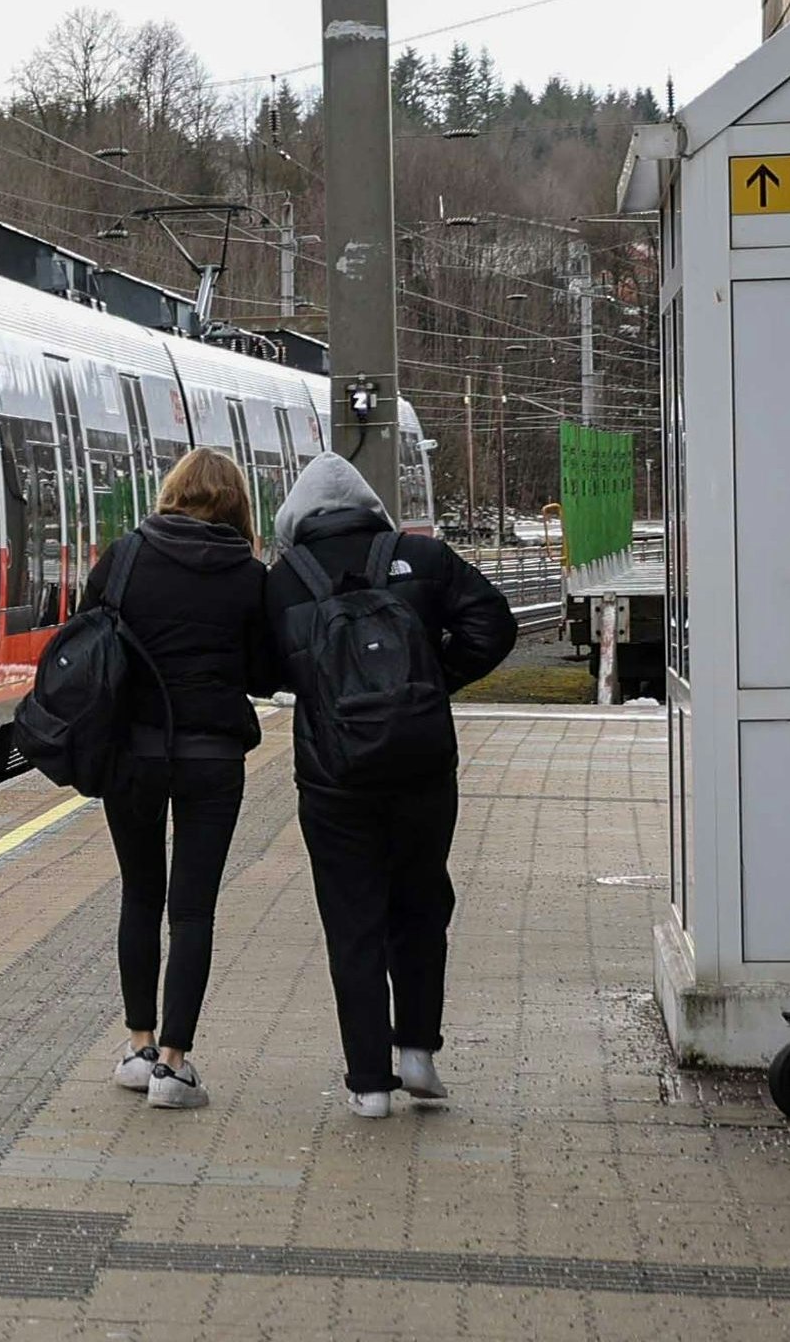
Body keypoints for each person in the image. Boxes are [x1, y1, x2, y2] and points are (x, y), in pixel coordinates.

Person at [261, 450, 516, 1119]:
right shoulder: (424, 558)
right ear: (372, 506)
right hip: (422, 770)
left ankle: (369, 1084)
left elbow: (259, 669)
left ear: (297, 517)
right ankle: (419, 1056)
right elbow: (496, 624)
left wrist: (330, 695)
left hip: (333, 779)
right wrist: (429, 685)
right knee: (421, 905)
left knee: (353, 922)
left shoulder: (285, 582)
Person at [86, 447, 280, 1112]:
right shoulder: (248, 576)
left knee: (140, 894)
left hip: (132, 756)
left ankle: (138, 1047)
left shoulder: (125, 556)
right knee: (193, 908)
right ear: (236, 507)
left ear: (171, 495)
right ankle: (175, 1064)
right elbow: (263, 675)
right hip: (212, 759)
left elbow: (88, 639)